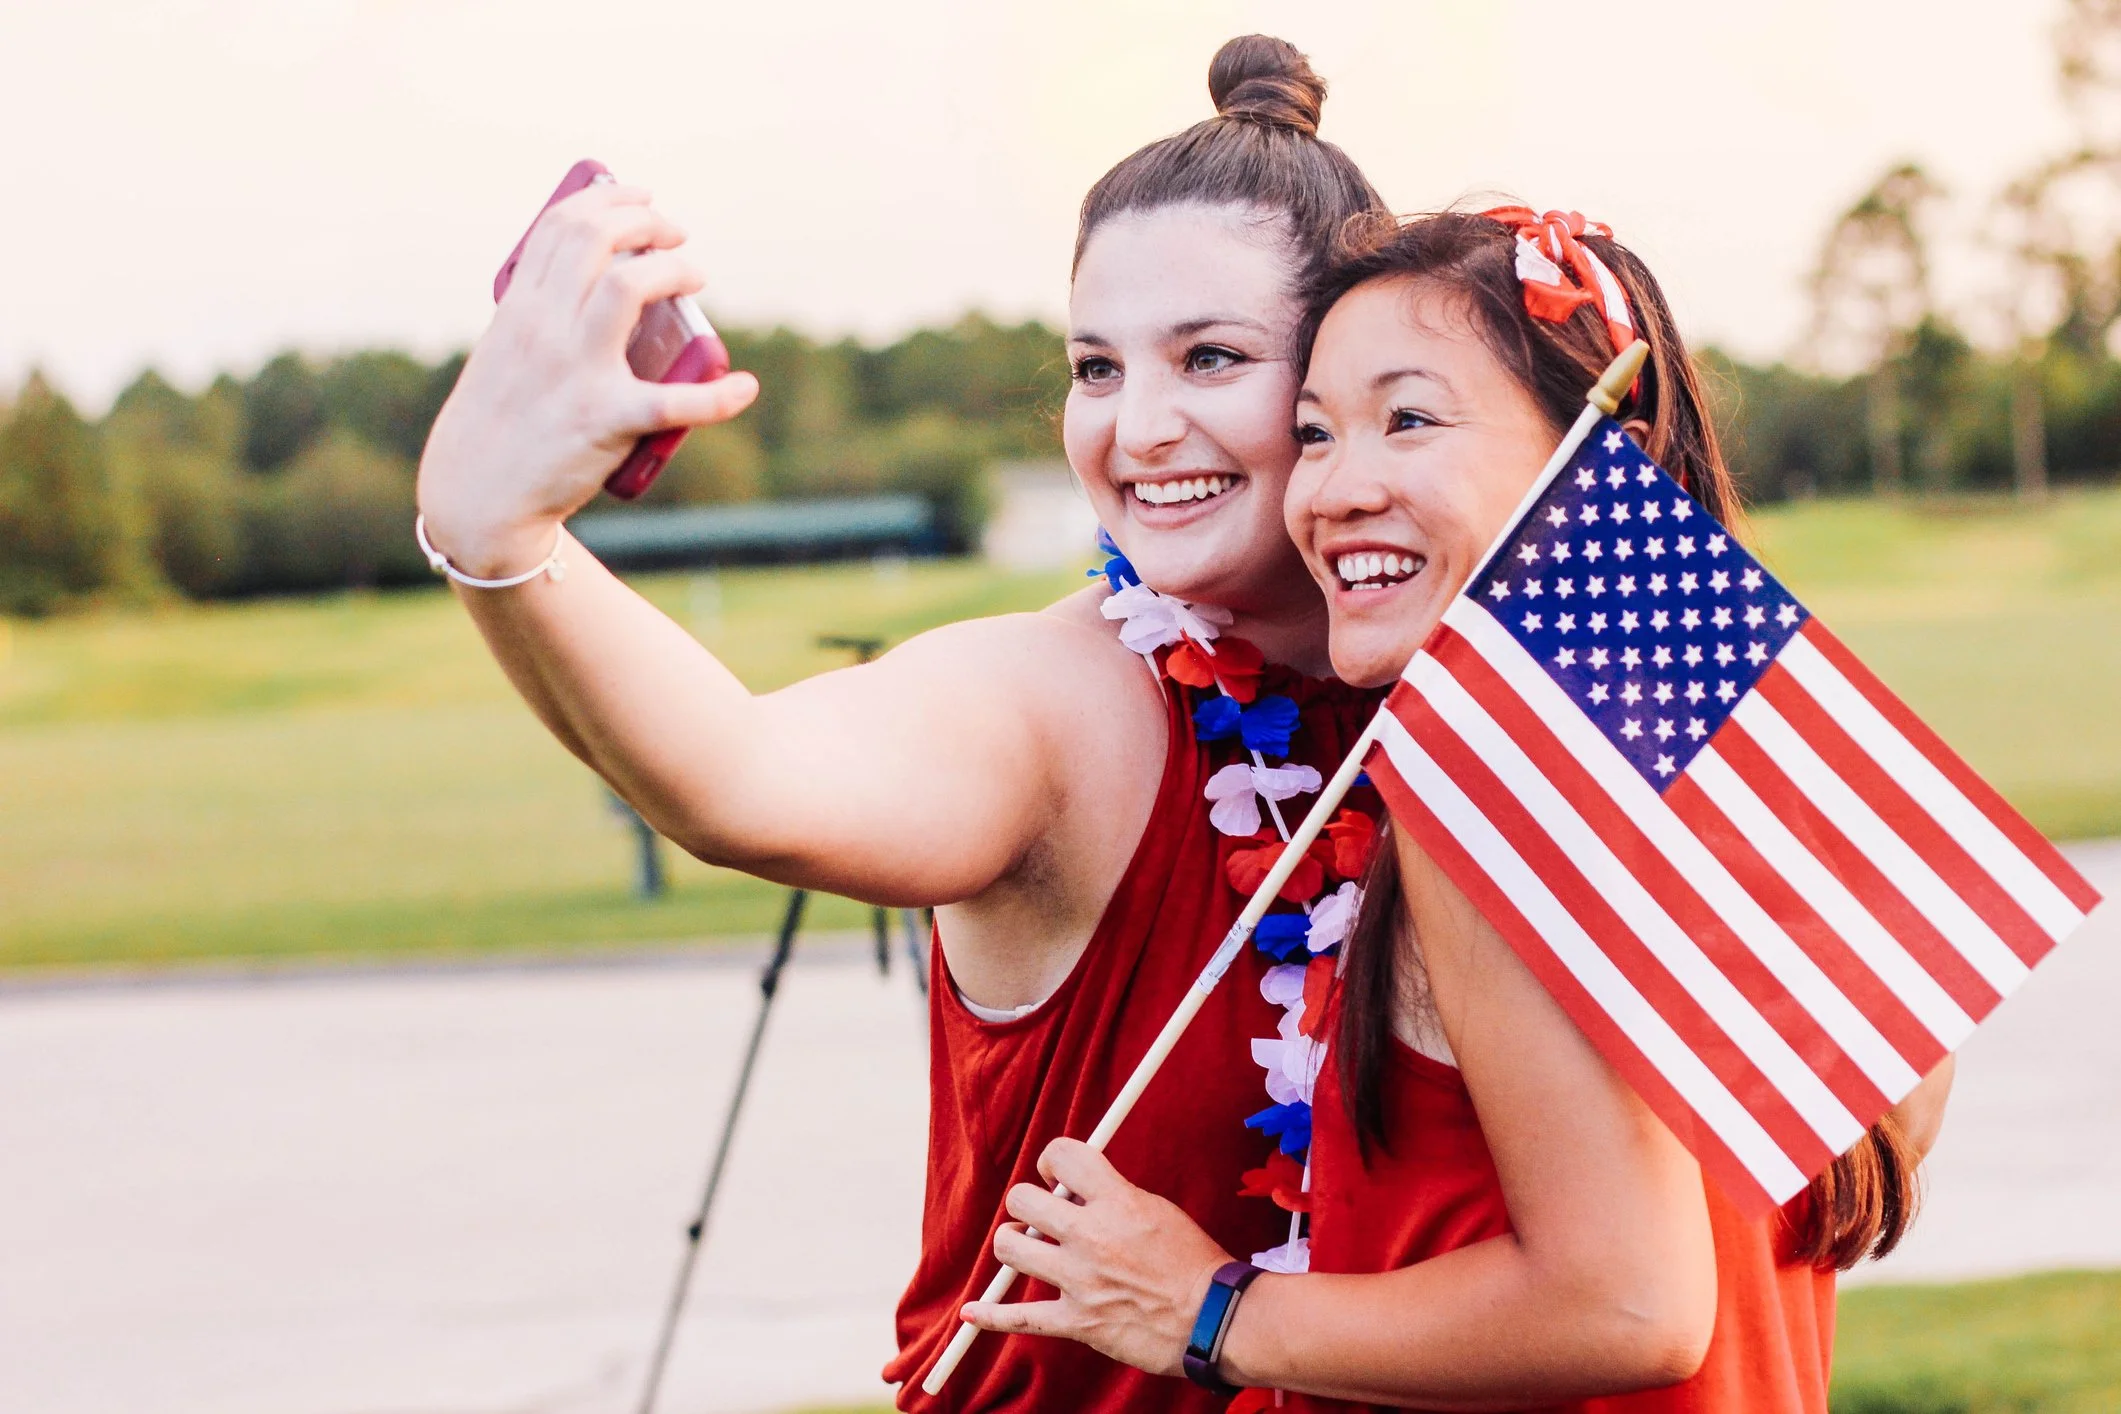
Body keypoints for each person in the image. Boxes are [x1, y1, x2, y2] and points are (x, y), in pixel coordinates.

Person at [414, 35, 1390, 1412]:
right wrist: (500, 538)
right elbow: (744, 778)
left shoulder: (1480, 705)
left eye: (1210, 357)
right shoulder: (1062, 700)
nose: (1136, 428)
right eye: (1095, 367)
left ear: (1345, 379)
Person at [960, 208, 1956, 1411]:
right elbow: (1887, 1140)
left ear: (1590, 452)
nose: (1335, 489)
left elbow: (1628, 1308)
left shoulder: (1488, 780)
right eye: (1316, 432)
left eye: (1410, 420)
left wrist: (1208, 1308)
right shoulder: (1735, 737)